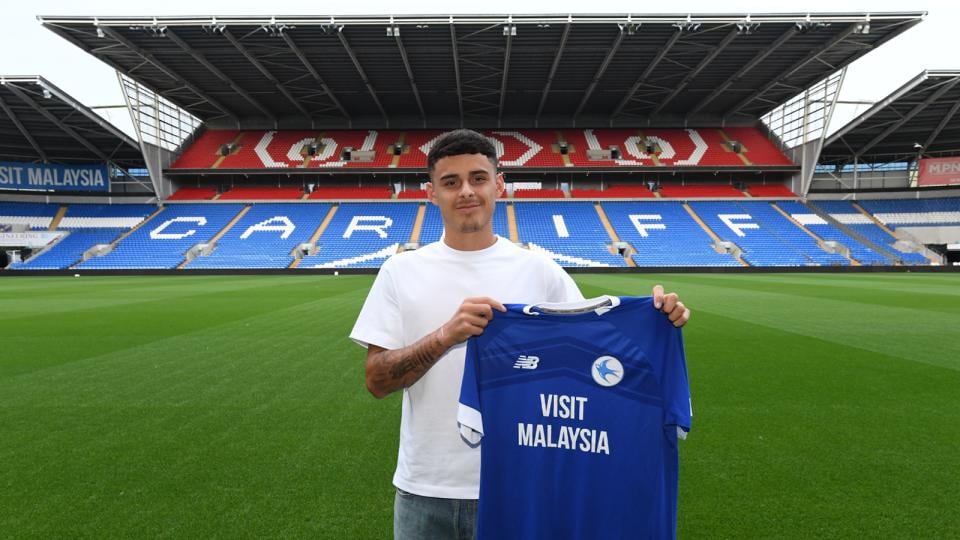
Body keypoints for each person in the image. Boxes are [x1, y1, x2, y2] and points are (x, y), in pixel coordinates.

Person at [350, 129, 690, 539]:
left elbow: (595, 352)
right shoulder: (400, 272)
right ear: (430, 193)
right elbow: (377, 380)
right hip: (426, 490)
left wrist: (656, 320)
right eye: (450, 182)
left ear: (499, 185)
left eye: (478, 178)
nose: (466, 192)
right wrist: (445, 336)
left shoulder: (538, 270)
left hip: (522, 486)